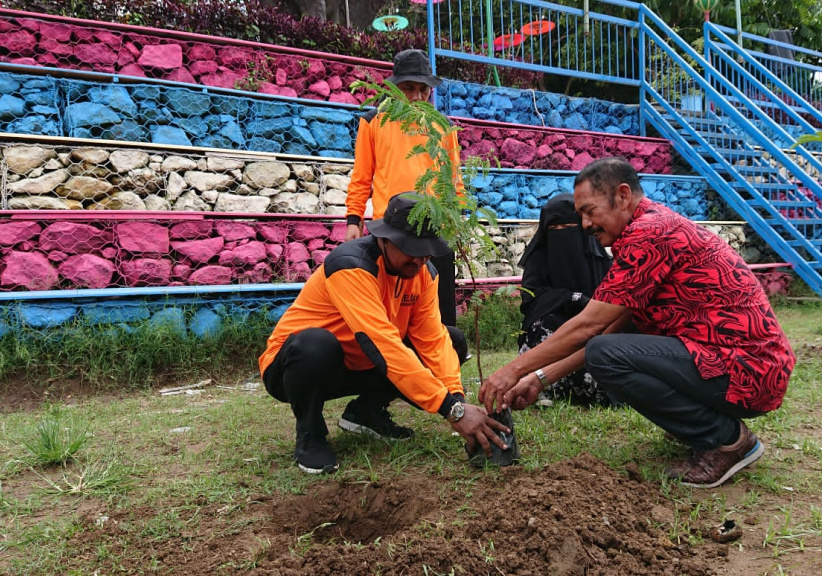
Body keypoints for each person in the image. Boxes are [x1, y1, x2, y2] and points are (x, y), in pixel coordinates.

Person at [480, 157, 795, 488]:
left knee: (605, 354)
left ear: (623, 196)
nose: (584, 225)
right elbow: (615, 328)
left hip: (750, 369)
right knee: (608, 350)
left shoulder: (650, 233)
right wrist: (540, 379)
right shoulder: (646, 230)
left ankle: (726, 440)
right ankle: (706, 428)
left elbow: (590, 328)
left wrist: (511, 372)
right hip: (745, 367)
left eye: (589, 211)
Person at [260, 193, 509, 474]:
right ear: (385, 239)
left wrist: (457, 399)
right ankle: (310, 435)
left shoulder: (424, 272)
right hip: (296, 368)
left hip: (363, 362)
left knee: (451, 339)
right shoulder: (351, 266)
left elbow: (433, 341)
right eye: (411, 250)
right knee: (315, 344)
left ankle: (365, 413)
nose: (419, 260)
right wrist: (451, 409)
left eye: (426, 251)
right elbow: (381, 343)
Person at [345, 48, 461, 326]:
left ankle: (445, 361)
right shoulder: (373, 121)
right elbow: (362, 176)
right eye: (409, 88)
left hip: (435, 227)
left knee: (441, 311)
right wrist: (353, 220)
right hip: (389, 229)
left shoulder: (442, 126)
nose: (418, 96)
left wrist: (455, 222)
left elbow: (454, 181)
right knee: (388, 308)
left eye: (424, 90)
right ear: (395, 86)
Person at [517, 193, 613, 407]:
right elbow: (529, 298)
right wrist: (574, 298)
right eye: (554, 229)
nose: (561, 234)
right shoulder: (539, 257)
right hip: (552, 321)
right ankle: (545, 387)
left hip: (591, 325)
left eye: (568, 226)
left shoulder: (597, 258)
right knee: (542, 326)